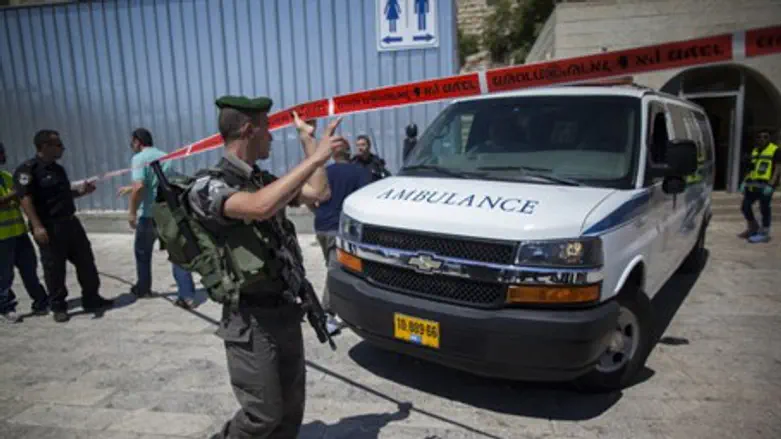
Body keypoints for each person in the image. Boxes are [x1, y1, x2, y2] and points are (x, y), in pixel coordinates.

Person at [183, 95, 344, 438]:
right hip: (250, 317)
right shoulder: (208, 185)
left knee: (289, 412)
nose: (271, 136)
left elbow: (318, 192)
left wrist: (308, 140)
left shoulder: (262, 178)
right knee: (261, 415)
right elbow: (259, 207)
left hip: (285, 308)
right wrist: (316, 157)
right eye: (268, 128)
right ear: (247, 129)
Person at [13, 130, 114, 323]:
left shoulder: (58, 170)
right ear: (44, 146)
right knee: (54, 268)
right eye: (58, 145)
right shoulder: (28, 170)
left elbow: (63, 194)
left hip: (70, 223)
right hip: (49, 227)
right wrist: (37, 226)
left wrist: (82, 192)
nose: (63, 148)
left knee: (86, 262)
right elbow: (25, 199)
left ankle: (92, 299)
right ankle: (58, 306)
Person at [117, 128, 197, 308]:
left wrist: (131, 212)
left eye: (132, 142)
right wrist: (129, 189)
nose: (131, 145)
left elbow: (140, 187)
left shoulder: (138, 159)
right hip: (166, 214)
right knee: (177, 254)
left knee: (142, 253)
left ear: (138, 141)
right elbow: (162, 181)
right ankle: (187, 296)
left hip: (148, 216)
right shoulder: (164, 155)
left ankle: (143, 288)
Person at [310, 139, 371, 335]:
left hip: (321, 227)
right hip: (340, 229)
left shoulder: (324, 173)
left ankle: (339, 306)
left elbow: (310, 197)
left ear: (333, 154)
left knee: (333, 266)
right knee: (335, 271)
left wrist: (318, 213)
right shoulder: (359, 173)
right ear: (348, 152)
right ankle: (326, 313)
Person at [1, 142, 50, 323]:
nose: (4, 155)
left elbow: (21, 197)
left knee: (30, 269)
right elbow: (12, 197)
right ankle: (6, 307)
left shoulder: (6, 177)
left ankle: (41, 302)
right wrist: (15, 195)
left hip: (19, 233)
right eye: (1, 152)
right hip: (1, 238)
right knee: (4, 275)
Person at [738, 128, 780, 243]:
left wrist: (771, 185)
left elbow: (777, 168)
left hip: (766, 185)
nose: (762, 139)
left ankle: (765, 233)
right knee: (745, 207)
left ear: (769, 138)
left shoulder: (775, 150)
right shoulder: (755, 151)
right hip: (753, 184)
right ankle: (753, 228)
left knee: (764, 208)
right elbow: (751, 168)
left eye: (765, 137)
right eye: (760, 137)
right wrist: (744, 182)